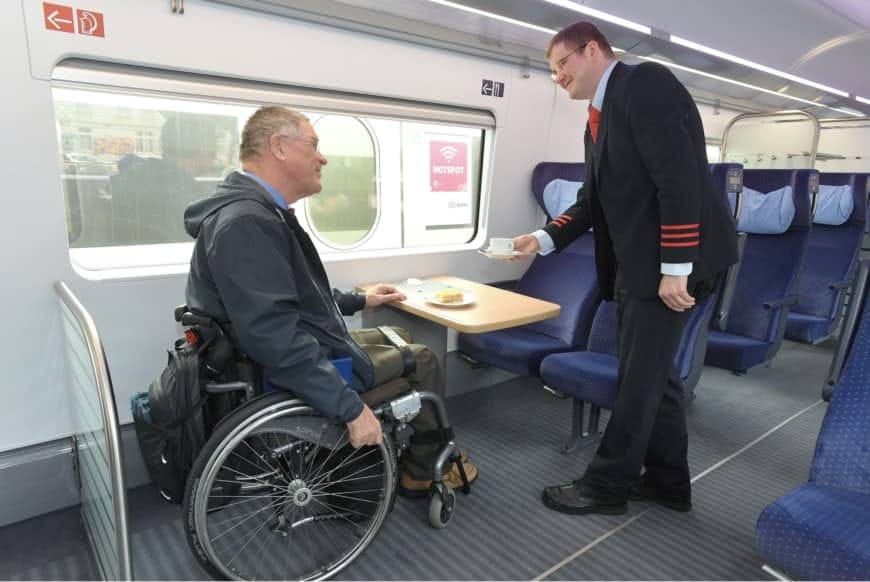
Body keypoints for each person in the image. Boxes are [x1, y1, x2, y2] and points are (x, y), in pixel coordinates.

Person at [183, 105, 476, 493]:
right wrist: (349, 407)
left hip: (294, 346)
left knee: (397, 330)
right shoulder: (249, 223)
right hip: (284, 366)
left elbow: (289, 299)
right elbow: (274, 337)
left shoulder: (254, 212)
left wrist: (358, 301)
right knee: (422, 357)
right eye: (314, 145)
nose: (323, 157)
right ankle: (422, 471)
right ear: (279, 146)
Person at [513, 22, 738, 515]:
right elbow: (593, 200)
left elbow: (678, 180)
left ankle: (606, 487)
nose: (556, 77)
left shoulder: (645, 85)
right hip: (648, 265)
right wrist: (544, 236)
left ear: (591, 50)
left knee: (638, 378)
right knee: (657, 377)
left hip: (677, 262)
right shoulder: (598, 117)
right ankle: (668, 483)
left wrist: (676, 268)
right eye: (551, 70)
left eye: (561, 65)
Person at [111, 113, 221, 244]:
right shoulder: (194, 201)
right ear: (204, 151)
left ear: (164, 147)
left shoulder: (129, 179)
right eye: (214, 151)